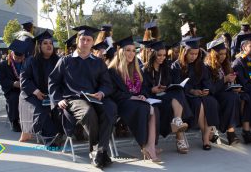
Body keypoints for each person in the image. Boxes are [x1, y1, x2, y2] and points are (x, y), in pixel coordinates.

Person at [49, 25, 117, 168]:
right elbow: (53, 82)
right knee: (87, 112)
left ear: (92, 43)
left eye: (88, 40)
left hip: (95, 98)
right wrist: (58, 99)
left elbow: (107, 84)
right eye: (83, 39)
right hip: (74, 99)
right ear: (77, 41)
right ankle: (98, 151)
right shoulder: (65, 61)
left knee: (110, 109)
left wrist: (102, 92)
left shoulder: (98, 63)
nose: (85, 42)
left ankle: (99, 151)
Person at [108, 36, 161, 162]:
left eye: (133, 50)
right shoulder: (112, 71)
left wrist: (142, 95)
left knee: (154, 109)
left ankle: (150, 146)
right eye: (128, 50)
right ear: (121, 52)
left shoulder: (137, 70)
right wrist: (131, 96)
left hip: (137, 101)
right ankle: (145, 145)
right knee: (143, 109)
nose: (131, 53)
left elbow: (143, 88)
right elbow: (112, 92)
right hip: (122, 103)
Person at [143, 40, 192, 154]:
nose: (162, 58)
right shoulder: (144, 70)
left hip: (165, 96)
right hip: (153, 99)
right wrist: (152, 89)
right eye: (159, 55)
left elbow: (171, 83)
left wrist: (167, 87)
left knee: (178, 91)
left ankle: (177, 121)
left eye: (164, 55)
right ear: (153, 55)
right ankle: (179, 135)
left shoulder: (166, 68)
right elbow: (143, 89)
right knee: (177, 98)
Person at [204, 38, 251, 145]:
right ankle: (230, 133)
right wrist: (224, 79)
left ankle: (246, 132)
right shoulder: (207, 67)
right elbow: (211, 89)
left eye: (224, 54)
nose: (223, 56)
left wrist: (234, 86)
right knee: (231, 98)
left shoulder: (225, 65)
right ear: (213, 54)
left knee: (244, 96)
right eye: (220, 54)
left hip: (227, 92)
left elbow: (228, 84)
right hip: (214, 95)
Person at [171, 36, 220, 150]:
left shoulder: (200, 65)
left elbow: (206, 80)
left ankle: (206, 137)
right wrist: (192, 91)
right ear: (185, 52)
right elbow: (178, 84)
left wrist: (206, 90)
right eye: (191, 53)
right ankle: (206, 136)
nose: (194, 56)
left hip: (201, 93)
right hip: (186, 94)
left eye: (196, 54)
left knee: (211, 102)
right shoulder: (176, 65)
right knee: (199, 104)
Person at [19, 30, 62, 146]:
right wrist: (36, 91)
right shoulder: (31, 60)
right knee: (41, 109)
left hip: (51, 95)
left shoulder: (58, 61)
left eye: (51, 43)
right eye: (45, 43)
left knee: (60, 108)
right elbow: (24, 80)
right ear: (39, 46)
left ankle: (60, 133)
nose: (49, 45)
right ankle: (51, 137)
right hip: (31, 95)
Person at [0, 39, 27, 132]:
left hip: (25, 88)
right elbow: (2, 79)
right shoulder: (5, 64)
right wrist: (13, 84)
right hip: (11, 90)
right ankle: (14, 121)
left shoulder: (27, 63)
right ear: (12, 53)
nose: (18, 60)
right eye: (16, 57)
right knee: (14, 98)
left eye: (20, 57)